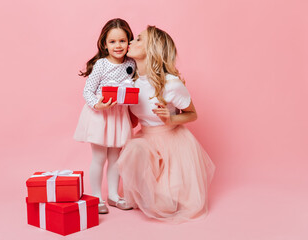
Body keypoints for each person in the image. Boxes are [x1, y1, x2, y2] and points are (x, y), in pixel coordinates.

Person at [117, 26, 215, 223]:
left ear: (152, 48)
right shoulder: (131, 83)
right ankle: (143, 194)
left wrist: (170, 119)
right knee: (134, 148)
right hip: (146, 141)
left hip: (172, 144)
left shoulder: (171, 83)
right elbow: (135, 120)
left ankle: (161, 192)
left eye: (138, 39)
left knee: (165, 207)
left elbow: (192, 114)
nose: (130, 42)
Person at [74, 18, 135, 214]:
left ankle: (114, 196)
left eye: (122, 41)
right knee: (99, 157)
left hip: (118, 116)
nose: (118, 46)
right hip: (101, 116)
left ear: (129, 42)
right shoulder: (101, 65)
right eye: (113, 41)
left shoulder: (132, 63)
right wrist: (97, 104)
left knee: (116, 158)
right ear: (104, 44)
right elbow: (87, 92)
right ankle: (98, 197)